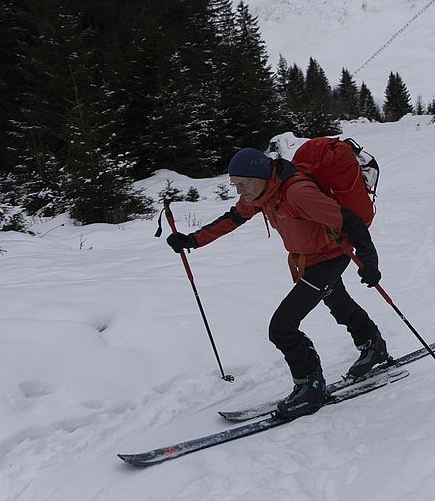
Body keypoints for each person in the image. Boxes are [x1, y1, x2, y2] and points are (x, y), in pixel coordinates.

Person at [166, 147, 389, 419]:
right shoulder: (263, 192)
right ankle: (372, 345)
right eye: (235, 185)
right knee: (337, 302)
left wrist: (369, 260)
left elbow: (350, 222)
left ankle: (310, 386)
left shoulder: (297, 193)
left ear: (259, 175)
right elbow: (234, 217)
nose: (240, 192)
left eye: (243, 184)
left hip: (329, 258)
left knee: (282, 327)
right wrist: (192, 241)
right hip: (310, 257)